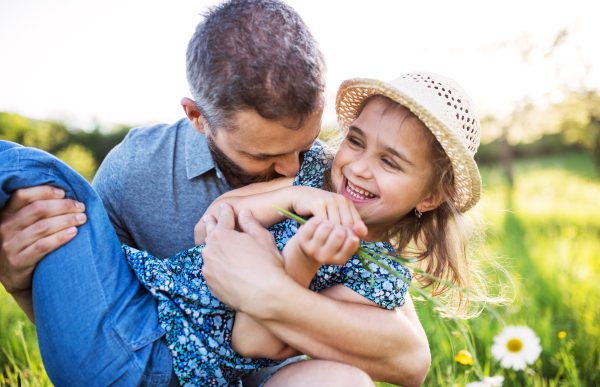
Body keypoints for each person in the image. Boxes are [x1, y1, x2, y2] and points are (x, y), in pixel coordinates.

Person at [0, 1, 430, 386]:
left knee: (341, 379)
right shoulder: (136, 170)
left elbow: (409, 357)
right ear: (197, 116)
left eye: (305, 143)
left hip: (249, 375)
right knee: (42, 176)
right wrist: (23, 283)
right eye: (263, 154)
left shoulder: (337, 183)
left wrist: (273, 282)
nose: (293, 169)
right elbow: (96, 319)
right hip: (141, 356)